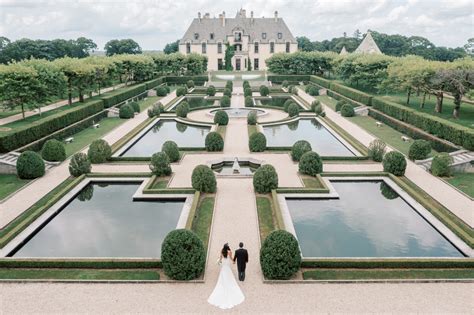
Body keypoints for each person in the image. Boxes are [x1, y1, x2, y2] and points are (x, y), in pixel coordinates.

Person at [207, 243, 245, 309]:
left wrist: (219, 262)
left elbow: (220, 258)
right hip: (227, 263)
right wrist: (234, 261)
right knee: (228, 272)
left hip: (224, 263)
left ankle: (223, 282)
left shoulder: (222, 251)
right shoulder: (229, 252)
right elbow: (230, 258)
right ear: (228, 247)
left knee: (223, 272)